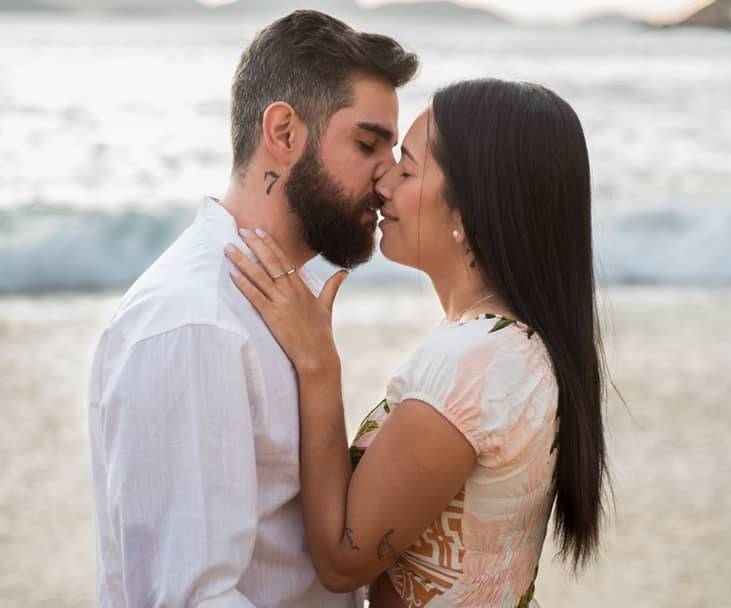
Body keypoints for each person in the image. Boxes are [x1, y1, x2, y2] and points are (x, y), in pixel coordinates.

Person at [225, 78, 610, 608]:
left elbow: (343, 560)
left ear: (469, 209)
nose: (382, 184)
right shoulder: (513, 344)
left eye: (406, 169)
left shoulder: (476, 361)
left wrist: (317, 363)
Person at [87, 11, 418, 606]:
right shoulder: (192, 322)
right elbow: (193, 596)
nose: (388, 175)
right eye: (367, 144)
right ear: (285, 133)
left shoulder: (283, 308)